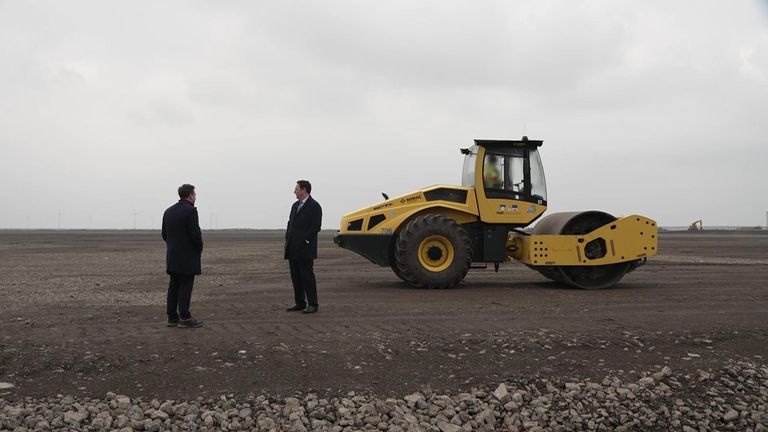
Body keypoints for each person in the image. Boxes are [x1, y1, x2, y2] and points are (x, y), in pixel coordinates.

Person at [161, 184, 204, 328]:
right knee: (186, 285)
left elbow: (164, 234)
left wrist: (174, 246)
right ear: (190, 195)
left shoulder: (168, 211)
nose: (195, 197)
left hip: (173, 255)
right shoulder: (190, 211)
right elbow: (195, 233)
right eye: (195, 194)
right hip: (187, 256)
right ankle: (185, 317)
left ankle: (172, 317)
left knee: (174, 285)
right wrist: (198, 248)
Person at [284, 180, 322, 314]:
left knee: (307, 277)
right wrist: (288, 236)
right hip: (292, 247)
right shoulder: (295, 205)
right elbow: (291, 223)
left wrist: (305, 240)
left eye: (296, 189)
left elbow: (316, 226)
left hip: (305, 248)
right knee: (296, 277)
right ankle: (300, 303)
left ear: (304, 190)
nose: (294, 191)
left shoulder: (314, 206)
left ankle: (313, 304)